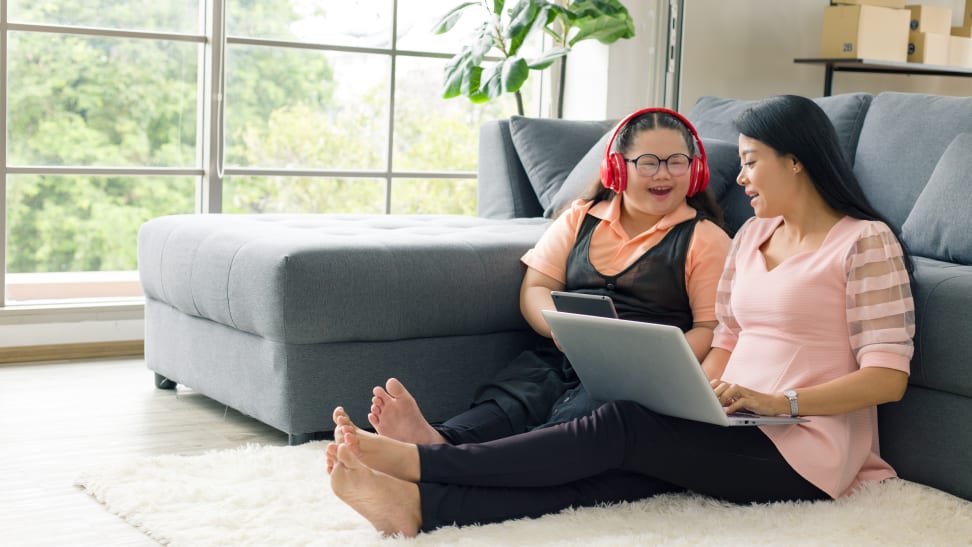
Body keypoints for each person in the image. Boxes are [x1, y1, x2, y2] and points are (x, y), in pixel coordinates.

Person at [324, 94, 916, 537]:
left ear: (796, 162)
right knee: (615, 472)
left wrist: (780, 403)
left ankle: (426, 461)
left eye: (751, 163)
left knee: (622, 426)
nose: (738, 178)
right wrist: (694, 396)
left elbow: (887, 378)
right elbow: (731, 335)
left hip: (802, 447)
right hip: (734, 419)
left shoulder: (865, 243)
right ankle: (421, 509)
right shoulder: (754, 234)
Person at [366, 107, 732, 446]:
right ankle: (437, 439)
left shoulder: (705, 239)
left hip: (637, 378)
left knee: (572, 424)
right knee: (515, 398)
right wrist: (556, 327)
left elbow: (709, 327)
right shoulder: (581, 218)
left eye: (677, 162)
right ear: (617, 169)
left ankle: (452, 461)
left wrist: (662, 361)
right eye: (649, 163)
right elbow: (537, 286)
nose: (664, 173)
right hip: (564, 357)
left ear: (695, 169)